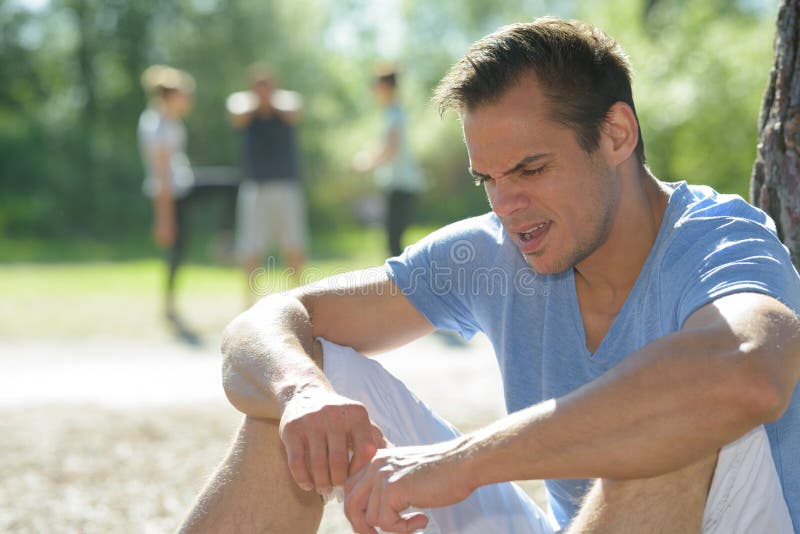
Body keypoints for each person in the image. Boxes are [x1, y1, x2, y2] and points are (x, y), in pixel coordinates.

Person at [179, 18, 800, 534]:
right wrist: (302, 395)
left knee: (673, 427)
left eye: (530, 169)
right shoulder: (494, 250)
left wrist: (462, 461)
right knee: (304, 397)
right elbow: (268, 320)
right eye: (488, 179)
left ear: (615, 134)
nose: (504, 205)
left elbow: (749, 369)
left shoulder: (716, 238)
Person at [227, 63, 308, 303]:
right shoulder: (243, 106)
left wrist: (268, 102)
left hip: (286, 186)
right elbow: (236, 116)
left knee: (293, 244)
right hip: (256, 188)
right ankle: (248, 302)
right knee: (250, 248)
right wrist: (260, 103)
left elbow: (295, 112)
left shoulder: (286, 103)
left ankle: (299, 300)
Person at [138, 65, 197, 329]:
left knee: (179, 250)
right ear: (170, 96)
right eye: (184, 95)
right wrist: (163, 219)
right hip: (169, 194)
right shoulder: (157, 125)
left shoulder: (171, 122)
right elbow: (161, 175)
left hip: (180, 190)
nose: (188, 101)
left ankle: (169, 303)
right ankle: (168, 304)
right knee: (176, 251)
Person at [354, 67, 425, 257]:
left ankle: (402, 285)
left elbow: (390, 149)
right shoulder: (390, 113)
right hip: (396, 184)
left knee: (393, 242)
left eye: (376, 85)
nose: (373, 90)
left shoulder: (394, 114)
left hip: (401, 184)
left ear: (386, 87)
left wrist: (367, 162)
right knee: (393, 241)